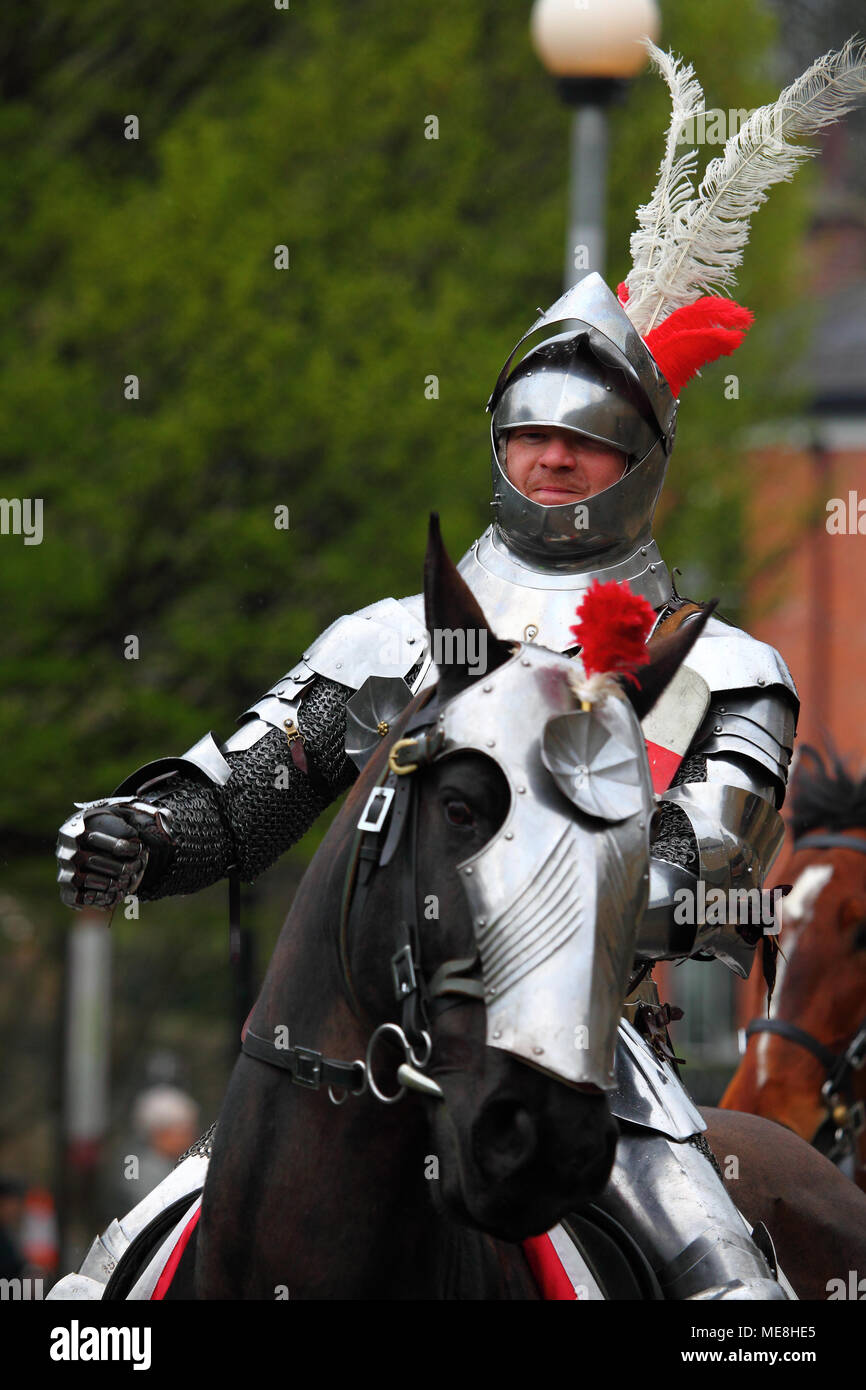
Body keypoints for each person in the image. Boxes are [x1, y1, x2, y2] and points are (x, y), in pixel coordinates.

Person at [52, 37, 866, 1299]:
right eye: (528, 433)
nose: (551, 459)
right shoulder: (390, 639)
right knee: (95, 1292)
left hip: (593, 1063)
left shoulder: (723, 669)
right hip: (355, 1042)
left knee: (732, 1289)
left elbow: (703, 882)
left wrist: (578, 887)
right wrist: (145, 833)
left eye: (582, 441)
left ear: (641, 461)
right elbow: (258, 782)